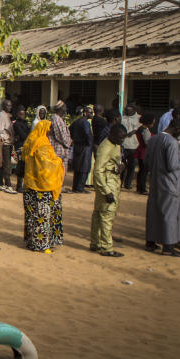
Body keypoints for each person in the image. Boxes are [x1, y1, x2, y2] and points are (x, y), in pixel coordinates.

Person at [21, 120, 65, 253]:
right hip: (42, 187)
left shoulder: (30, 141)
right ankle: (42, 244)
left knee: (31, 215)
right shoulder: (42, 144)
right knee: (43, 215)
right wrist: (58, 161)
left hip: (30, 184)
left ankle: (32, 242)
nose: (51, 131)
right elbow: (46, 166)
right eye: (50, 128)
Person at [144, 118, 180, 256]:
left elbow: (146, 161)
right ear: (177, 129)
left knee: (154, 212)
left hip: (155, 181)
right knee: (170, 214)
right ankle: (168, 246)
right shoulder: (172, 143)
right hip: (170, 183)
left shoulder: (154, 138)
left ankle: (150, 241)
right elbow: (172, 165)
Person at [90, 124, 127, 257]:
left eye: (123, 139)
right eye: (120, 138)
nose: (122, 141)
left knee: (99, 214)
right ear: (112, 134)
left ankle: (96, 243)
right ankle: (106, 247)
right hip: (107, 184)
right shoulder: (106, 147)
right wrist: (107, 191)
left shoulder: (114, 144)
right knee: (106, 215)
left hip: (110, 181)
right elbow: (98, 170)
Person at [48, 101, 72, 191]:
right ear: (60, 108)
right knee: (57, 169)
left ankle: (60, 186)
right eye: (64, 107)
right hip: (58, 148)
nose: (66, 109)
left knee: (62, 169)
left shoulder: (60, 118)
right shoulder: (56, 119)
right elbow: (60, 135)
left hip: (62, 148)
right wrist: (68, 142)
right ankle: (56, 187)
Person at [70, 106, 94, 193]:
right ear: (85, 113)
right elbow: (88, 134)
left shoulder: (76, 122)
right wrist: (90, 143)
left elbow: (70, 130)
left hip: (77, 146)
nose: (92, 114)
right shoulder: (85, 123)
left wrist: (75, 139)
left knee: (77, 168)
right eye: (90, 112)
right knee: (84, 168)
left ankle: (75, 187)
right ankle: (80, 188)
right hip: (85, 147)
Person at [0, 100, 14, 192]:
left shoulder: (7, 115)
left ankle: (0, 183)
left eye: (10, 105)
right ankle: (8, 184)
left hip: (9, 142)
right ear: (3, 106)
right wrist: (2, 139)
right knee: (7, 164)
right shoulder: (2, 115)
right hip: (5, 143)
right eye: (8, 105)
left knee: (3, 164)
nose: (9, 107)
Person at [121, 105, 141, 190]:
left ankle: (128, 184)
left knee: (132, 166)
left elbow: (139, 129)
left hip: (134, 145)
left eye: (130, 110)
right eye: (127, 110)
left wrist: (133, 131)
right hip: (123, 145)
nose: (128, 112)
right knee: (122, 165)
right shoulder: (123, 118)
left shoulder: (139, 118)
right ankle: (120, 182)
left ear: (134, 110)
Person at [13, 107, 31, 193]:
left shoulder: (26, 123)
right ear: (17, 114)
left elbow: (29, 134)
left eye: (23, 114)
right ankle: (19, 186)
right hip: (20, 147)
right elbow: (24, 135)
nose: (22, 116)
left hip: (26, 146)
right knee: (20, 165)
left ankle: (23, 185)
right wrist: (25, 136)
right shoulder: (16, 124)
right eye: (20, 114)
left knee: (25, 166)